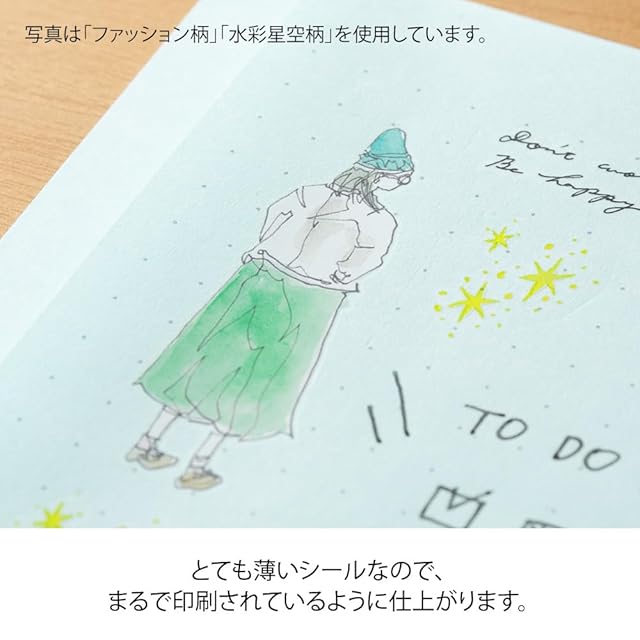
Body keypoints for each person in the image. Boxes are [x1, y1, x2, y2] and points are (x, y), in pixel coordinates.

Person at [126, 128, 414, 490]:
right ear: (382, 174)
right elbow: (367, 258)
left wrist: (271, 247)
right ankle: (197, 465)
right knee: (259, 378)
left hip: (259, 277)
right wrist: (340, 272)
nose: (401, 183)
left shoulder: (310, 193)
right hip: (310, 295)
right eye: (400, 177)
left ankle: (147, 442)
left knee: (207, 355)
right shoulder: (378, 219)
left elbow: (275, 216)